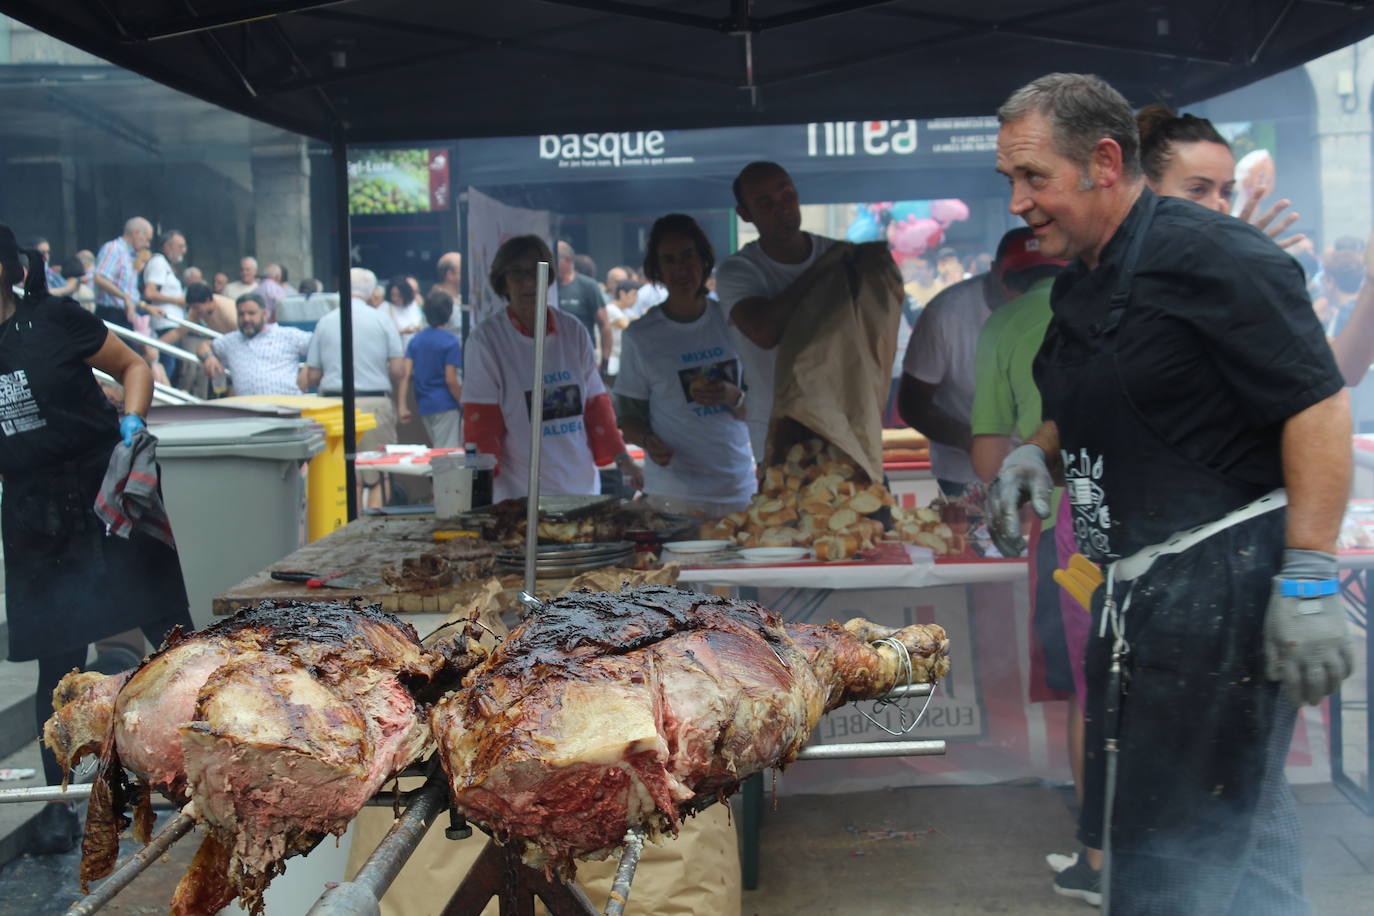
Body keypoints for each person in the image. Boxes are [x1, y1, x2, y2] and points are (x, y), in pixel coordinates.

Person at [988, 72, 1352, 914]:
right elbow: (1079, 397)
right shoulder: (1083, 278)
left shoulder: (1216, 254)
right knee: (1241, 841)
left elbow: (1318, 403)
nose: (1017, 200)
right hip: (1140, 598)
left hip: (1219, 593)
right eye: (1010, 179)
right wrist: (1032, 457)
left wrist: (1308, 574)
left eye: (1033, 176)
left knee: (1169, 861)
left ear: (1104, 162)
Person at [0, 225, 192, 853]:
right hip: (34, 516)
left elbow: (135, 365)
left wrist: (132, 422)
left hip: (106, 496)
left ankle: (197, 776)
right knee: (57, 664)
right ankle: (64, 801)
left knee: (170, 641)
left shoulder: (54, 318)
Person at [462, 235, 642, 501]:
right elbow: (481, 426)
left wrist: (624, 459)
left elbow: (597, 406)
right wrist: (479, 498)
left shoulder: (572, 331)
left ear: (548, 276)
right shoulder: (487, 340)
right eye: (517, 273)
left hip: (581, 489)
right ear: (503, 281)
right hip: (519, 497)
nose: (528, 282)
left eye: (536, 271)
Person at [615, 214, 753, 518]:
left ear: (704, 259)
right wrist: (649, 442)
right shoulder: (641, 336)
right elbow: (628, 419)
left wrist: (732, 396)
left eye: (688, 255)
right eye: (669, 260)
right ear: (657, 270)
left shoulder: (732, 321)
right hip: (674, 496)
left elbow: (764, 409)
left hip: (737, 488)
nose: (681, 267)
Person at [716, 161, 838, 462]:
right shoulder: (738, 271)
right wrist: (822, 273)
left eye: (787, 196)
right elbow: (764, 332)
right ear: (745, 214)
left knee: (866, 507)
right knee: (783, 510)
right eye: (765, 203)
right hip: (780, 432)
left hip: (845, 423)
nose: (782, 208)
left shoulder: (838, 254)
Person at [897, 230, 1017, 497]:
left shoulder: (1061, 303)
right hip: (966, 475)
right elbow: (912, 403)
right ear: (995, 271)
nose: (1025, 290)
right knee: (967, 536)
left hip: (1046, 470)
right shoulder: (947, 313)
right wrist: (972, 440)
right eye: (1017, 279)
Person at [304, 268, 404, 509]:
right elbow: (398, 370)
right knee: (379, 474)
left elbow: (313, 374)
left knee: (347, 478)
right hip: (374, 405)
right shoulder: (383, 320)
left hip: (333, 406)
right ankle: (371, 535)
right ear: (371, 292)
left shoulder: (325, 322)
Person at [197, 292, 312, 397]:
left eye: (251, 313)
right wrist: (209, 357)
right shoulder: (232, 340)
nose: (246, 319)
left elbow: (321, 343)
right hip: (249, 413)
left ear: (265, 314)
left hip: (287, 410)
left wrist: (308, 368)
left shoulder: (286, 335)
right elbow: (204, 347)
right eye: (241, 314)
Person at [398, 290, 463, 448]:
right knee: (446, 455)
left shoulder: (415, 340)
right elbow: (450, 379)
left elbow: (405, 375)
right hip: (446, 404)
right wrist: (464, 403)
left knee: (438, 449)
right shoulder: (450, 342)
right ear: (449, 313)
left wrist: (402, 406)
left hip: (424, 405)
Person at [555, 241, 614, 372]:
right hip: (552, 357)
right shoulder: (549, 287)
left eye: (554, 258)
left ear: (567, 260)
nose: (551, 263)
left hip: (581, 358)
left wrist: (604, 361)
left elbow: (605, 325)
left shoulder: (587, 286)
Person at [143, 230, 189, 380]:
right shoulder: (158, 262)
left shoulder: (166, 266)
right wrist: (177, 300)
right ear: (167, 247)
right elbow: (150, 292)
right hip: (164, 323)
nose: (184, 250)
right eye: (180, 246)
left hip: (171, 322)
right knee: (166, 365)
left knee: (170, 365)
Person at [93, 216, 152, 328]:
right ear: (136, 233)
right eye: (147, 239)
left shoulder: (131, 255)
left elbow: (128, 290)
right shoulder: (113, 248)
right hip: (110, 314)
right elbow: (99, 278)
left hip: (125, 315)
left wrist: (146, 307)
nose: (147, 245)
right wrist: (125, 297)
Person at [385, 274, 424, 350]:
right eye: (393, 295)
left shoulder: (415, 304)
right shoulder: (387, 307)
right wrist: (403, 331)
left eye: (398, 295)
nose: (395, 298)